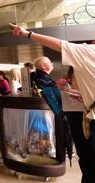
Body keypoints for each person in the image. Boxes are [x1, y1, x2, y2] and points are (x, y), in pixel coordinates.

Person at [10, 23, 95, 183]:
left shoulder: (85, 54)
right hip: (75, 116)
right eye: (49, 62)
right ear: (43, 65)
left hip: (82, 115)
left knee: (89, 163)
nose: (52, 64)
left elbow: (59, 44)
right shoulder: (45, 77)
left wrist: (28, 34)